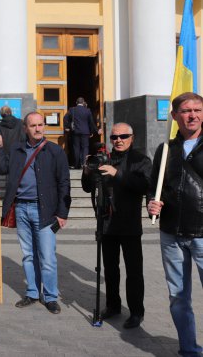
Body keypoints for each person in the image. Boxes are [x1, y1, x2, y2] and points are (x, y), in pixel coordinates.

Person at [0, 112, 71, 314]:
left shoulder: (55, 151)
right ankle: (33, 293)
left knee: (47, 257)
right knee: (28, 255)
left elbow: (64, 183)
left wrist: (62, 213)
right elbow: (2, 168)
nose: (38, 129)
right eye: (33, 125)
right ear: (25, 128)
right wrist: (0, 147)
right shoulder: (17, 149)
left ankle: (51, 296)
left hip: (44, 210)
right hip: (21, 208)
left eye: (41, 125)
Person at [148, 92, 203, 356]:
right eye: (186, 110)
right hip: (171, 233)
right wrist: (152, 202)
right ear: (175, 116)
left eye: (198, 110)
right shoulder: (166, 149)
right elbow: (154, 187)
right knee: (179, 298)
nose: (193, 115)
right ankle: (188, 350)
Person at [81, 123, 152, 328]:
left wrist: (116, 173)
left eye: (123, 136)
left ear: (132, 137)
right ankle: (113, 306)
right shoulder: (104, 158)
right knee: (110, 269)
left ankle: (137, 312)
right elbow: (87, 188)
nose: (118, 140)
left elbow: (144, 185)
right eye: (114, 137)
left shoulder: (141, 160)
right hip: (106, 222)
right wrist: (87, 171)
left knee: (134, 271)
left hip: (129, 223)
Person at [64, 97, 101, 168]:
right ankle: (84, 163)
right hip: (85, 132)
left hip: (75, 132)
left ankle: (76, 164)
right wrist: (96, 130)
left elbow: (65, 118)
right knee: (85, 148)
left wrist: (67, 127)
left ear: (76, 102)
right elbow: (91, 122)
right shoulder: (87, 111)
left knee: (76, 148)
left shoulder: (72, 109)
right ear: (83, 102)